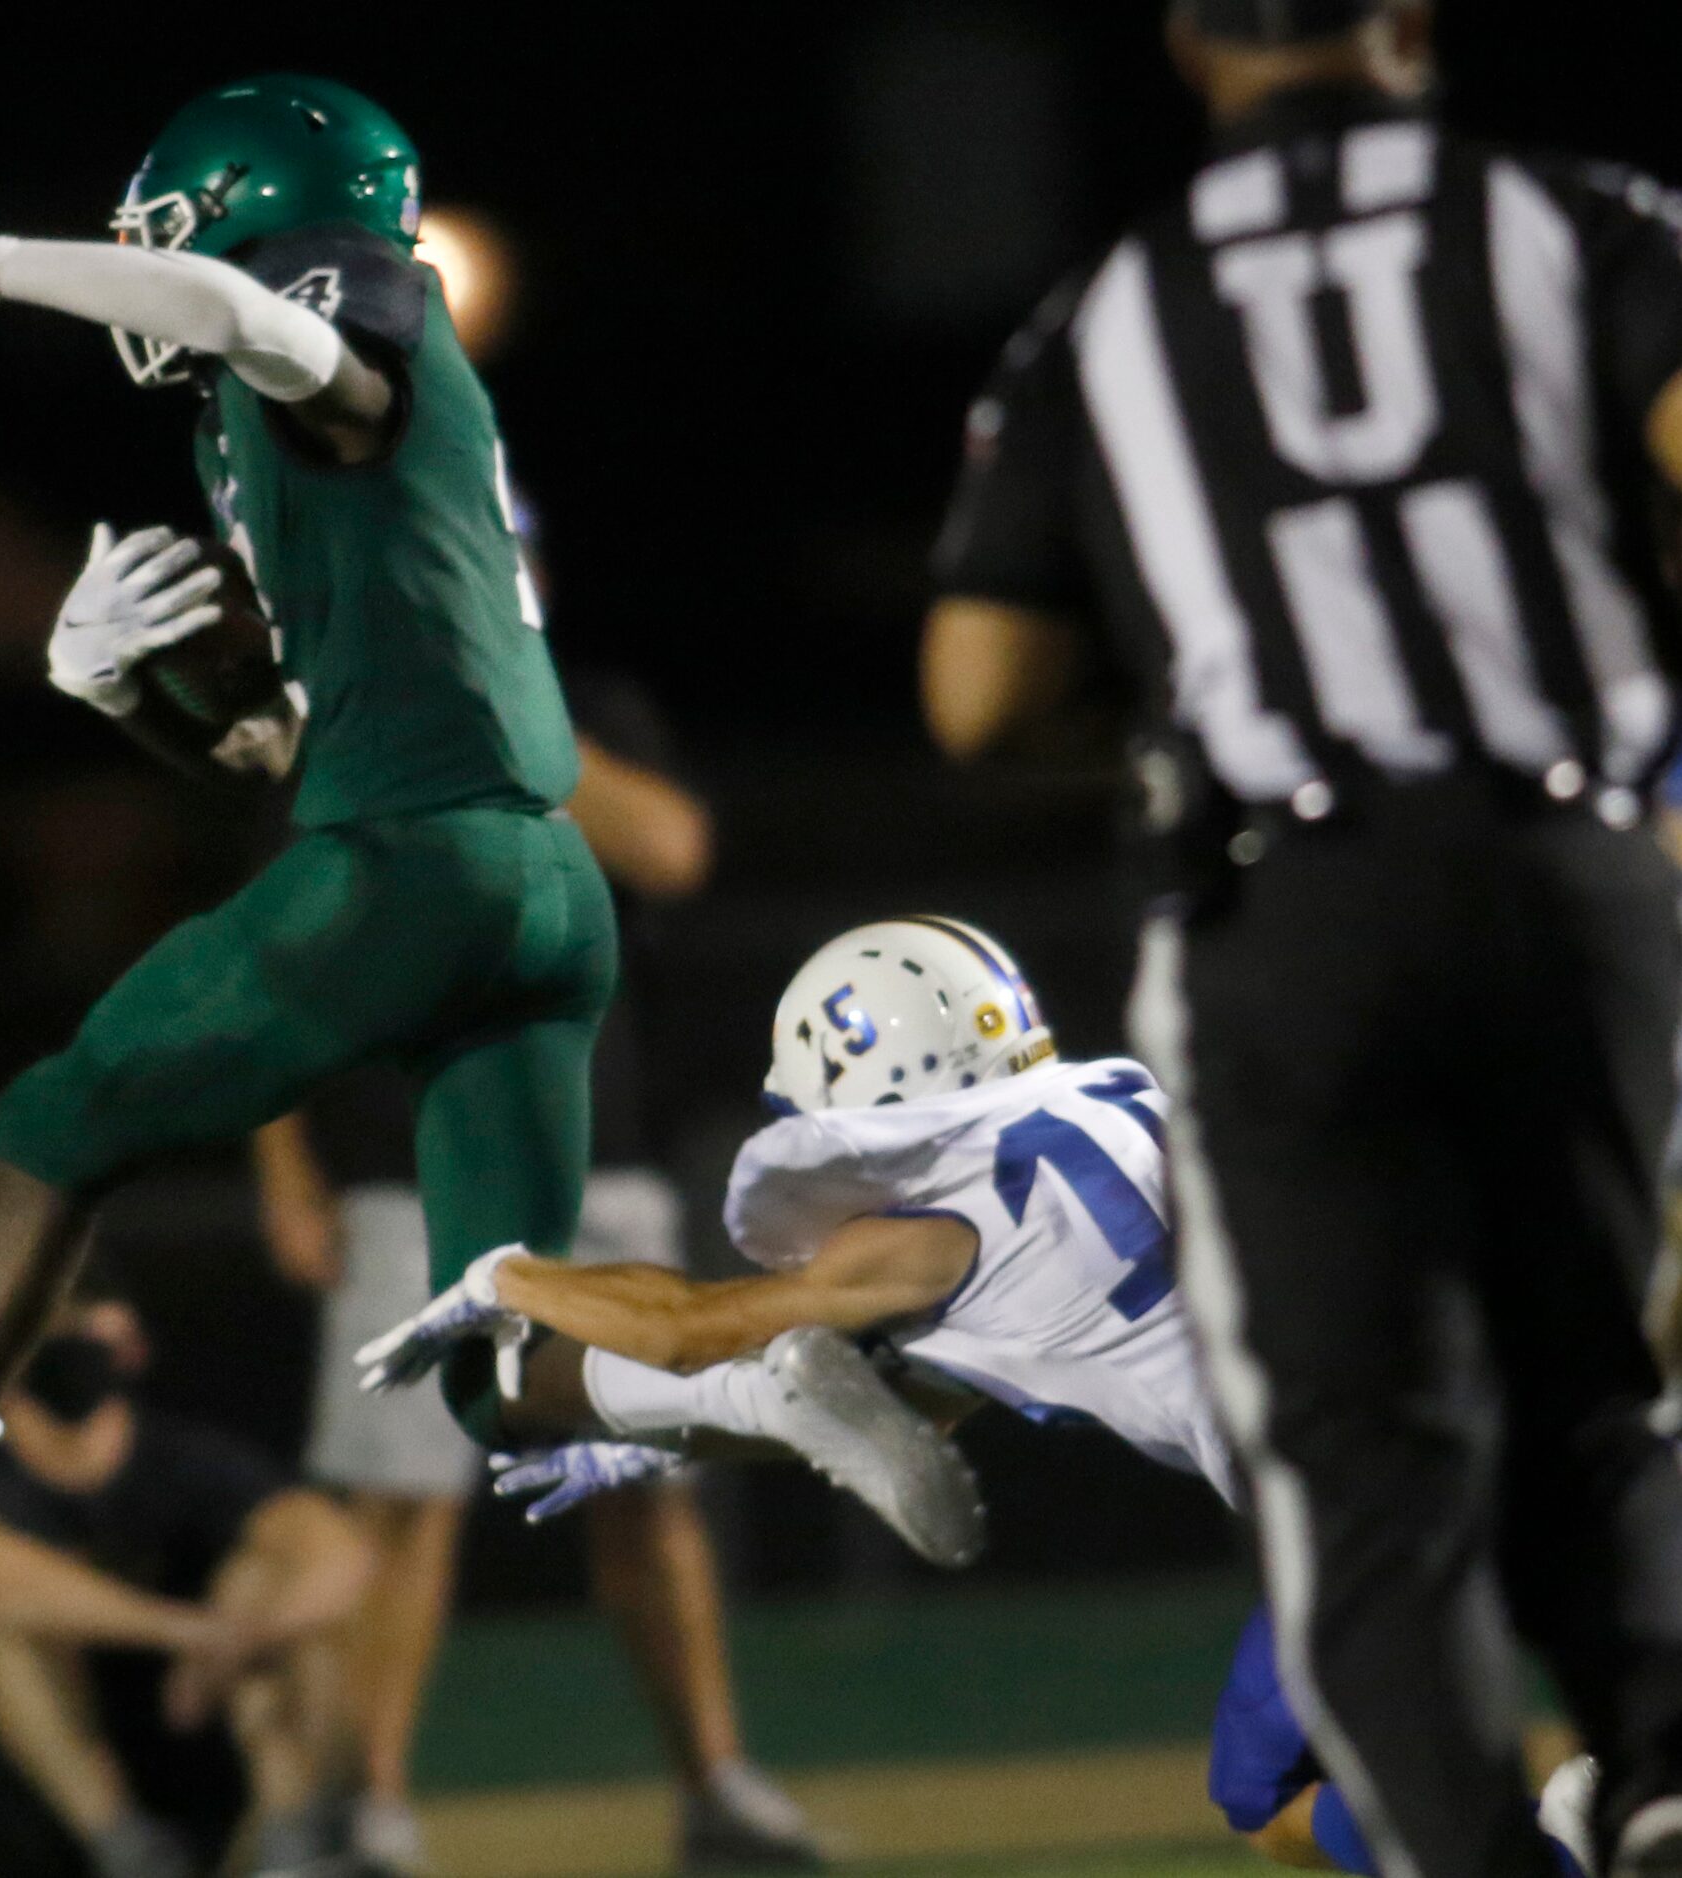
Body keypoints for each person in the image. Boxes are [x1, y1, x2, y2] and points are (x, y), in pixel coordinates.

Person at [0, 76, 623, 1690]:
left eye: (165, 229)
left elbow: (238, 306)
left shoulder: (342, 313)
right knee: (513, 1376)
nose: (145, 261)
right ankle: (817, 1351)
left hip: (421, 865)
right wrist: (126, 693)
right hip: (529, 881)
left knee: (54, 1119)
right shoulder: (267, 429)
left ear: (259, 211)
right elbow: (287, 749)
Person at [916, 5, 1682, 1874]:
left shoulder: (1109, 309)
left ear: (1185, 45)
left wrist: (1204, 702)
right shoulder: (1580, 222)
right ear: (1410, 26)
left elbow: (977, 688)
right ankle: (1660, 1773)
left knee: (1357, 1473)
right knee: (1598, 1392)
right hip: (1563, 859)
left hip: (1291, 895)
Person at [374, 917, 1599, 1875]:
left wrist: (511, 1272)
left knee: (1275, 1791)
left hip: (1363, 1497)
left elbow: (696, 1329)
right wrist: (661, 1451)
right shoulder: (1123, 1106)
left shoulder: (942, 1228)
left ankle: (1570, 1846)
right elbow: (898, 1403)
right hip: (1491, 1398)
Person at [254, 671, 819, 1874]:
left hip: (592, 1167)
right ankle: (370, 1811)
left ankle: (715, 1786)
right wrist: (284, 1173)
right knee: (400, 1507)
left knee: (648, 1490)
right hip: (402, 1170)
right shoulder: (343, 720)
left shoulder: (583, 718)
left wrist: (509, 705)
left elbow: (668, 850)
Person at [0, 1293, 373, 1878]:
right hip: (31, 1805)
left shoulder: (186, 1459)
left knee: (263, 1586)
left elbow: (339, 1555)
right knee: (3, 1632)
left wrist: (237, 1639)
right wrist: (187, 1633)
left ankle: (296, 1847)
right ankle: (129, 1853)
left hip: (197, 1743)